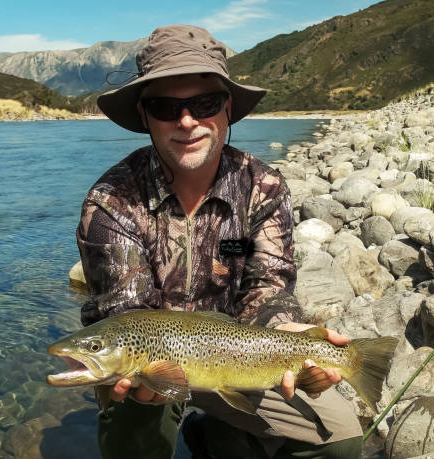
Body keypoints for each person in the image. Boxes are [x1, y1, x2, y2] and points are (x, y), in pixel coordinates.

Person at [76, 24, 363, 458]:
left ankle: (217, 437)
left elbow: (267, 286)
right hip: (152, 371)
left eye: (204, 103)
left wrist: (286, 332)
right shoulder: (111, 202)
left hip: (242, 359)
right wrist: (145, 373)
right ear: (144, 114)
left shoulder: (263, 187)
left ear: (227, 107)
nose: (187, 121)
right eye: (166, 107)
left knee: (340, 442)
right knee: (133, 443)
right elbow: (127, 316)